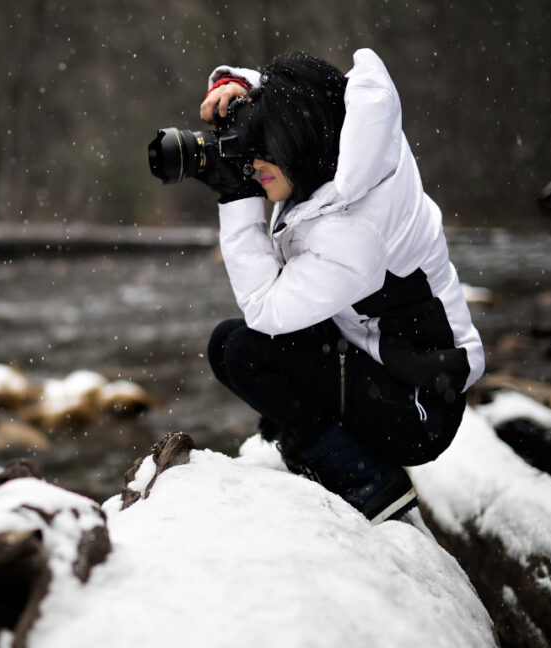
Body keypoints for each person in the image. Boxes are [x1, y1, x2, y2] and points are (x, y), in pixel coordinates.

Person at [196, 49, 484, 524]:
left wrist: (237, 196)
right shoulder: (348, 146)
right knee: (231, 343)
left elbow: (263, 308)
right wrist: (240, 88)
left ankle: (368, 480)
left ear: (302, 144)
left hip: (418, 409)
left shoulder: (354, 232)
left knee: (244, 350)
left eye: (265, 147)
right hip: (393, 368)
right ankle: (324, 445)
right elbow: (309, 96)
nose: (254, 161)